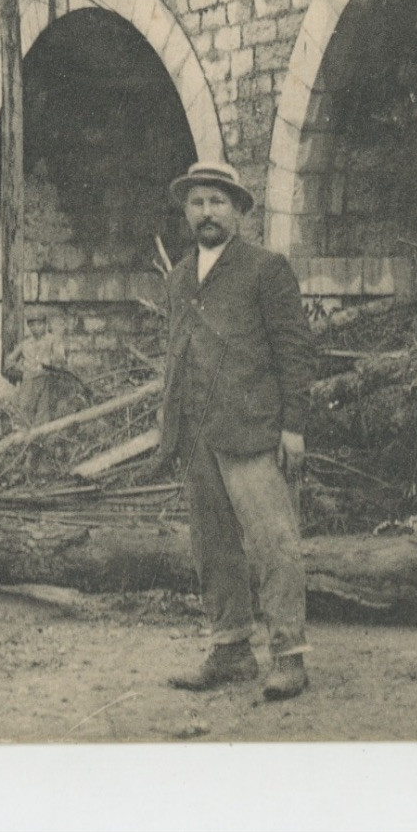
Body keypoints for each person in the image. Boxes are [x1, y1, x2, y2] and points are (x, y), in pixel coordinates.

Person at [154, 160, 317, 701]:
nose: (207, 213)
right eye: (197, 203)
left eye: (218, 202)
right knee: (213, 547)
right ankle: (229, 650)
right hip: (197, 435)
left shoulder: (266, 271)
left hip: (252, 432)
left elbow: (294, 352)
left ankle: (289, 655)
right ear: (186, 212)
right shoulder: (179, 278)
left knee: (274, 544)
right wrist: (171, 429)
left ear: (240, 211)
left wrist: (293, 426)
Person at [6, 311, 74, 427]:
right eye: (32, 325)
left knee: (43, 413)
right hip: (29, 381)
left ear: (45, 325)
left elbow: (61, 360)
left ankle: (40, 433)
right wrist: (21, 368)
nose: (36, 328)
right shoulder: (26, 344)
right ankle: (24, 431)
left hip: (48, 380)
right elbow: (9, 361)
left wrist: (48, 361)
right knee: (23, 410)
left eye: (39, 324)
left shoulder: (53, 340)